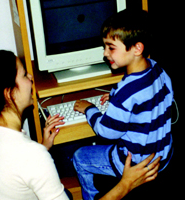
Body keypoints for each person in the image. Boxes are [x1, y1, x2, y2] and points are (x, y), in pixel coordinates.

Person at [0, 50, 160, 200]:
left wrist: (43, 146)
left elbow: (12, 169)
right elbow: (26, 161)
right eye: (24, 75)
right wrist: (126, 184)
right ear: (8, 93)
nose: (31, 78)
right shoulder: (31, 156)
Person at [73, 9, 174, 200]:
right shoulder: (157, 69)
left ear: (137, 48)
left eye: (111, 48)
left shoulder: (126, 93)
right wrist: (114, 97)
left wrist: (89, 109)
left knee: (80, 157)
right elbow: (155, 97)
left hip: (135, 164)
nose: (105, 53)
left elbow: (106, 132)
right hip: (163, 157)